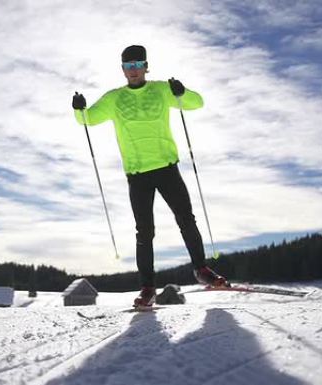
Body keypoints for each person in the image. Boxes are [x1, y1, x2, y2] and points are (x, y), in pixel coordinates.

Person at [72, 45, 227, 308]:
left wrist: (182, 91)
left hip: (167, 167)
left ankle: (202, 271)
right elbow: (87, 120)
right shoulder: (113, 99)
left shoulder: (161, 89)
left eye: (138, 65)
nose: (133, 71)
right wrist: (79, 108)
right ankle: (147, 288)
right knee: (144, 232)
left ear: (146, 66)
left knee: (186, 219)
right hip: (137, 174)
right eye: (128, 66)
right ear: (123, 70)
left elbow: (196, 102)